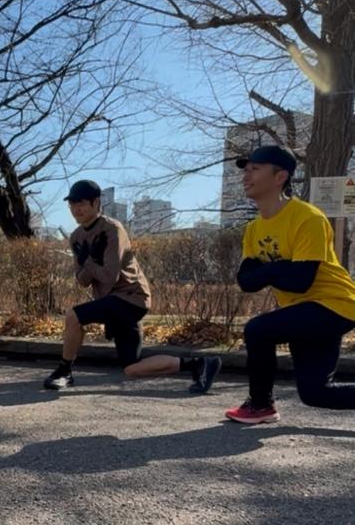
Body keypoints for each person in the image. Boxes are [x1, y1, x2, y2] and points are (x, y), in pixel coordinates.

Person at [43, 180, 222, 391]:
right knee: (132, 368)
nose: (75, 209)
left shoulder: (112, 230)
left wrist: (89, 262)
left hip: (131, 298)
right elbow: (82, 281)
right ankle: (199, 365)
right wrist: (87, 260)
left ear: (96, 202)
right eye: (72, 204)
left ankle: (64, 371)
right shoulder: (76, 237)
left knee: (73, 315)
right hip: (113, 302)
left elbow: (109, 277)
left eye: (80, 203)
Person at [226, 145, 355, 424]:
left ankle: (261, 404)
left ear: (280, 177)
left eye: (255, 169)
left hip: (336, 305)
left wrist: (269, 270)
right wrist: (281, 267)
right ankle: (263, 405)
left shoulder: (307, 217)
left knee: (258, 330)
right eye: (246, 170)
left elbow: (300, 281)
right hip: (302, 309)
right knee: (316, 393)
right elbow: (246, 282)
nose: (246, 176)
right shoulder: (253, 229)